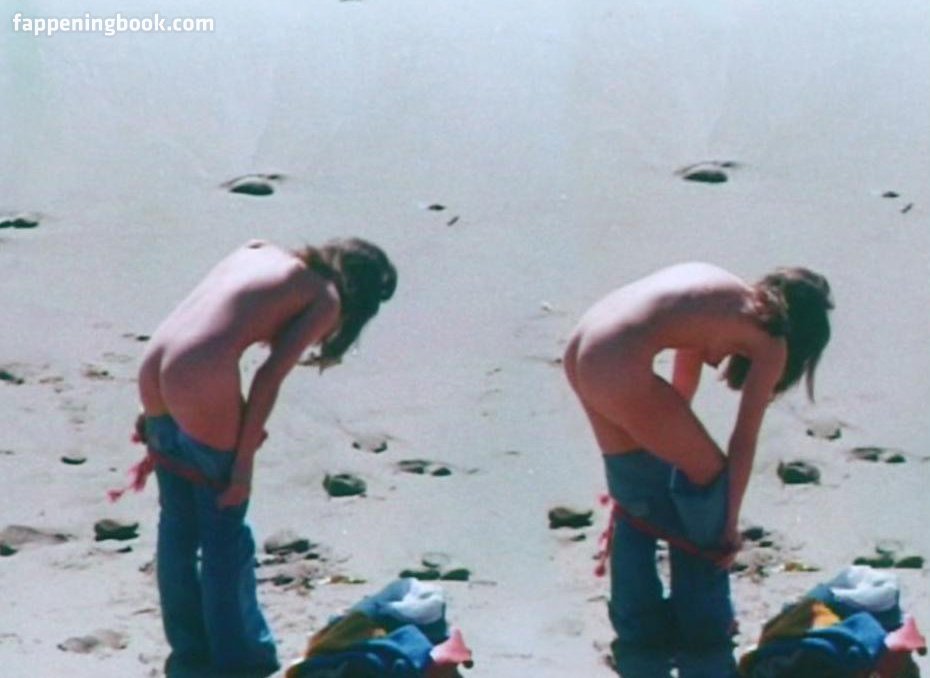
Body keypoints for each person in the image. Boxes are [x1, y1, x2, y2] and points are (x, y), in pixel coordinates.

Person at [133, 237, 396, 676]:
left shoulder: (258, 250)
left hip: (154, 364)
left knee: (177, 524)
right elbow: (268, 376)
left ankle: (190, 655)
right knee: (223, 529)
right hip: (198, 371)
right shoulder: (326, 297)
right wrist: (242, 467)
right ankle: (240, 660)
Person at [562, 262, 833, 677]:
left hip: (584, 346)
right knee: (711, 483)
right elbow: (743, 440)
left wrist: (667, 449)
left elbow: (681, 387)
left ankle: (637, 635)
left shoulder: (720, 292)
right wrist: (727, 524)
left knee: (635, 495)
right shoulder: (773, 341)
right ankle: (703, 629)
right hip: (617, 361)